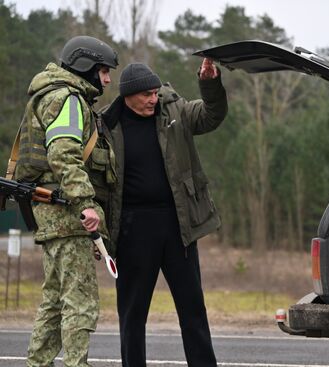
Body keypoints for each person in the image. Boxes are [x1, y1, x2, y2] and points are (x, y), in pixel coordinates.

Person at [100, 60, 227, 366]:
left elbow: (212, 115)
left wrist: (209, 84)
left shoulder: (175, 111)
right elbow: (97, 183)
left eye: (155, 93)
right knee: (132, 315)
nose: (153, 100)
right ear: (128, 95)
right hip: (132, 229)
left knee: (193, 310)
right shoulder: (107, 124)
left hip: (177, 226)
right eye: (146, 95)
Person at [15, 35, 118, 367]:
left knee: (55, 302)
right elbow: (63, 154)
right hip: (66, 213)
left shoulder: (51, 95)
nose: (107, 79)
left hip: (53, 213)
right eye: (103, 71)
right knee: (80, 302)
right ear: (85, 66)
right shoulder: (68, 99)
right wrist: (86, 203)